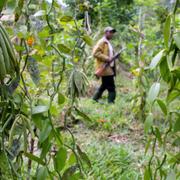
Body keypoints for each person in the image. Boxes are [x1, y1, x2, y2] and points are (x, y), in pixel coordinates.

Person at [92, 26, 117, 104]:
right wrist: (107, 58)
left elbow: (109, 54)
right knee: (111, 87)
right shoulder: (102, 42)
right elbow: (95, 53)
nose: (112, 34)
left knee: (104, 85)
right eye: (110, 32)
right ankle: (111, 102)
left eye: (112, 32)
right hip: (104, 67)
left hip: (109, 67)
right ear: (106, 32)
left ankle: (95, 99)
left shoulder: (108, 42)